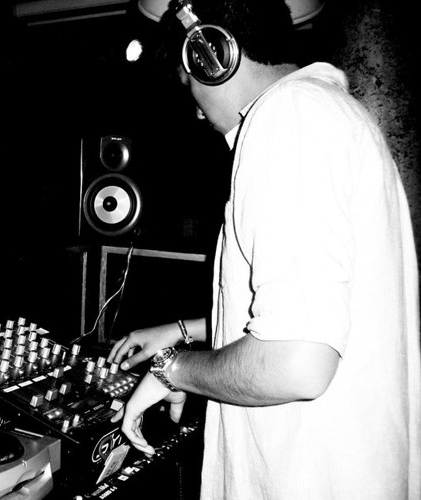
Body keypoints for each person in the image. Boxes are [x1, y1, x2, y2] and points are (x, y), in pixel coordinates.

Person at [108, 0, 421, 498]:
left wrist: (174, 369)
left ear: (211, 55)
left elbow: (294, 361)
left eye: (189, 83)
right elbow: (320, 312)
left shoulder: (288, 118)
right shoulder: (326, 114)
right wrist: (187, 330)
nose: (195, 108)